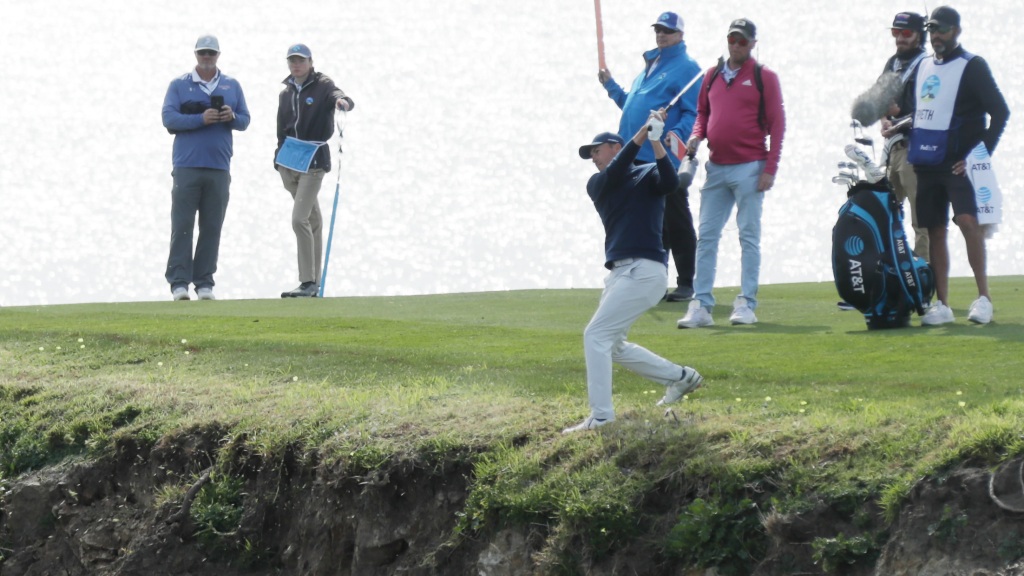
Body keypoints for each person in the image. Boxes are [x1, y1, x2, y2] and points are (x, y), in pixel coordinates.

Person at [563, 111, 704, 434]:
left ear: (615, 146)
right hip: (617, 275)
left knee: (595, 336)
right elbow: (616, 173)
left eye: (596, 150)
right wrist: (643, 134)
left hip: (645, 271)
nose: (593, 158)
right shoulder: (598, 183)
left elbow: (671, 183)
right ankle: (680, 377)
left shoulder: (648, 173)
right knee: (612, 344)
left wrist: (655, 141)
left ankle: (601, 416)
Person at [678, 18, 785, 328]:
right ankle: (701, 305)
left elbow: (778, 126)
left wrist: (770, 169)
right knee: (707, 237)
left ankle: (746, 302)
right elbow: (702, 113)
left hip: (751, 167)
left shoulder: (764, 77)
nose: (736, 45)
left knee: (748, 236)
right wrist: (697, 134)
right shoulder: (711, 76)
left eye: (742, 41)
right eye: (732, 40)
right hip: (717, 167)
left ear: (752, 44)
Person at [909, 6, 1009, 325]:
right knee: (935, 230)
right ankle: (943, 305)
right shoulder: (922, 65)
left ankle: (983, 298)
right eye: (932, 30)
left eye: (942, 30)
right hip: (927, 163)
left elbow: (1000, 113)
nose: (936, 36)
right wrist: (891, 120)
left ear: (956, 32)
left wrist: (978, 155)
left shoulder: (973, 66)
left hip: (959, 164)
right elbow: (914, 109)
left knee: (968, 223)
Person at [598, 11, 701, 302]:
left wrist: (676, 133)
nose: (661, 34)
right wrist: (611, 87)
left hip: (661, 157)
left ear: (680, 35)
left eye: (667, 30)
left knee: (676, 218)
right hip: (634, 157)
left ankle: (686, 284)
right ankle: (652, 284)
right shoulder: (650, 65)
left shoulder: (687, 67)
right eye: (658, 29)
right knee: (650, 225)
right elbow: (633, 107)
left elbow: (694, 112)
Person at [161, 35, 251, 301]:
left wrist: (230, 116)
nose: (207, 57)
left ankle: (204, 283)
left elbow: (245, 120)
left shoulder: (232, 85)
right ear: (196, 54)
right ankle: (179, 282)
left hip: (219, 167)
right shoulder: (179, 85)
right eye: (203, 53)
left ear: (218, 55)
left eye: (211, 53)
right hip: (187, 165)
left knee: (212, 226)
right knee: (183, 225)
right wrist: (201, 118)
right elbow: (169, 118)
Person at [274, 44, 355, 298]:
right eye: (292, 61)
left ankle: (307, 281)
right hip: (289, 162)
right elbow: (281, 130)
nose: (296, 65)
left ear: (310, 62)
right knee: (314, 221)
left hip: (314, 161)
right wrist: (277, 160)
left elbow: (337, 95)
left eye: (301, 61)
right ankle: (315, 284)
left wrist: (343, 101)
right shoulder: (286, 92)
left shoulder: (322, 84)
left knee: (299, 219)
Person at [878, 12, 930, 262]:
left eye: (906, 33)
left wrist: (899, 116)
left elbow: (930, 109)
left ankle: (923, 281)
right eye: (895, 32)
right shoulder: (892, 63)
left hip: (916, 149)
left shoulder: (927, 63)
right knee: (886, 217)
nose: (900, 38)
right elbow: (880, 100)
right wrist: (885, 120)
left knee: (922, 222)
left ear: (919, 35)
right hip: (893, 149)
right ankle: (890, 277)